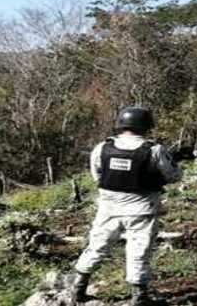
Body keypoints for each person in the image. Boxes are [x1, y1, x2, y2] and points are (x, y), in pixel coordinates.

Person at [71, 106, 182, 305]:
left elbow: (98, 176)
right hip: (142, 209)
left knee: (96, 247)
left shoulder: (102, 147)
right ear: (147, 126)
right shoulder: (155, 150)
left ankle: (78, 288)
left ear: (121, 124)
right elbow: (173, 176)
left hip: (108, 208)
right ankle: (139, 297)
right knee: (139, 251)